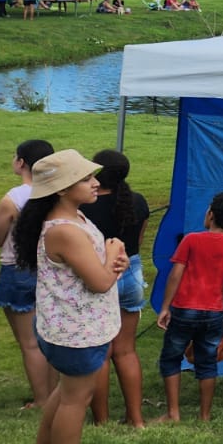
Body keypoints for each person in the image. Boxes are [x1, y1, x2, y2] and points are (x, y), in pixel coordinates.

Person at [13, 150, 127, 444]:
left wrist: (112, 262)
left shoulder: (74, 218)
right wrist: (111, 256)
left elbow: (100, 272)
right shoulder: (65, 230)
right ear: (62, 189)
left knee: (65, 393)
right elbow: (100, 281)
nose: (96, 183)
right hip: (75, 333)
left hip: (73, 327)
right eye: (87, 179)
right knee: (76, 401)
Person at [155, 191, 223, 423]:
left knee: (171, 357)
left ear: (211, 215)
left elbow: (176, 274)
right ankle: (204, 415)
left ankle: (173, 413)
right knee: (207, 362)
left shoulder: (191, 239)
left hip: (184, 308)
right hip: (214, 311)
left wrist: (166, 307)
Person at [75, 149, 149, 428]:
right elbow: (138, 241)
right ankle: (136, 418)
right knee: (126, 350)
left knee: (101, 351)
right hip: (131, 273)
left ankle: (102, 420)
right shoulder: (137, 201)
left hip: (99, 276)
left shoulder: (82, 207)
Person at [0, 138, 57, 409]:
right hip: (52, 269)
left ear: (21, 163)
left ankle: (42, 400)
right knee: (51, 337)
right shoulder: (58, 193)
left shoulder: (13, 199)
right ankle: (53, 395)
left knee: (30, 343)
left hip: (18, 270)